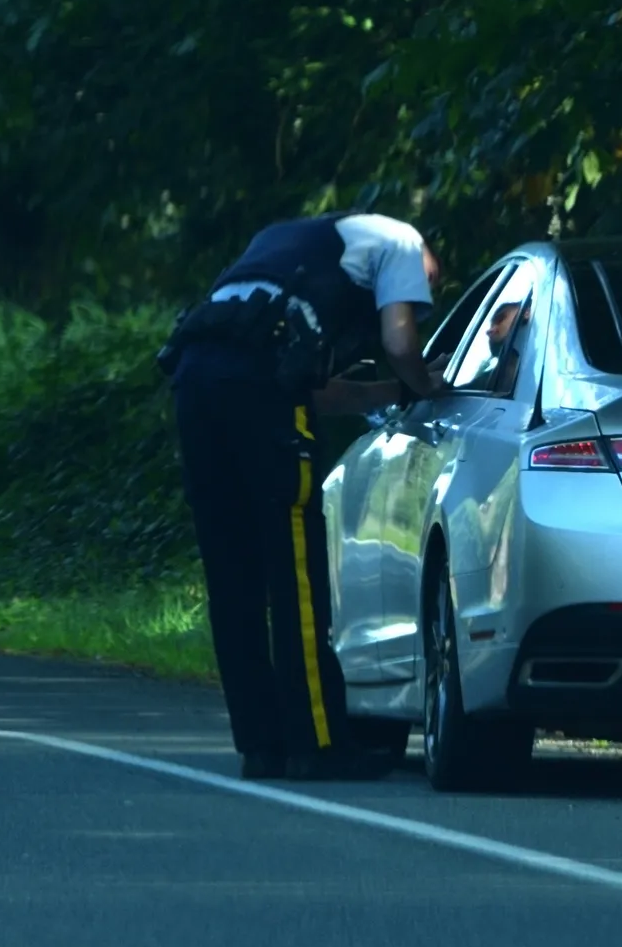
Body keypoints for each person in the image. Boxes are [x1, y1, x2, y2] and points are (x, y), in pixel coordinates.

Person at [158, 212, 453, 781]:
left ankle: (259, 746)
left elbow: (315, 393)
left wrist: (394, 392)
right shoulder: (402, 242)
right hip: (259, 383)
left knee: (231, 574)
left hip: (196, 383)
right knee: (295, 571)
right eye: (429, 286)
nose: (422, 295)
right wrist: (427, 383)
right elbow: (399, 343)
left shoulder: (283, 243)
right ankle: (317, 744)